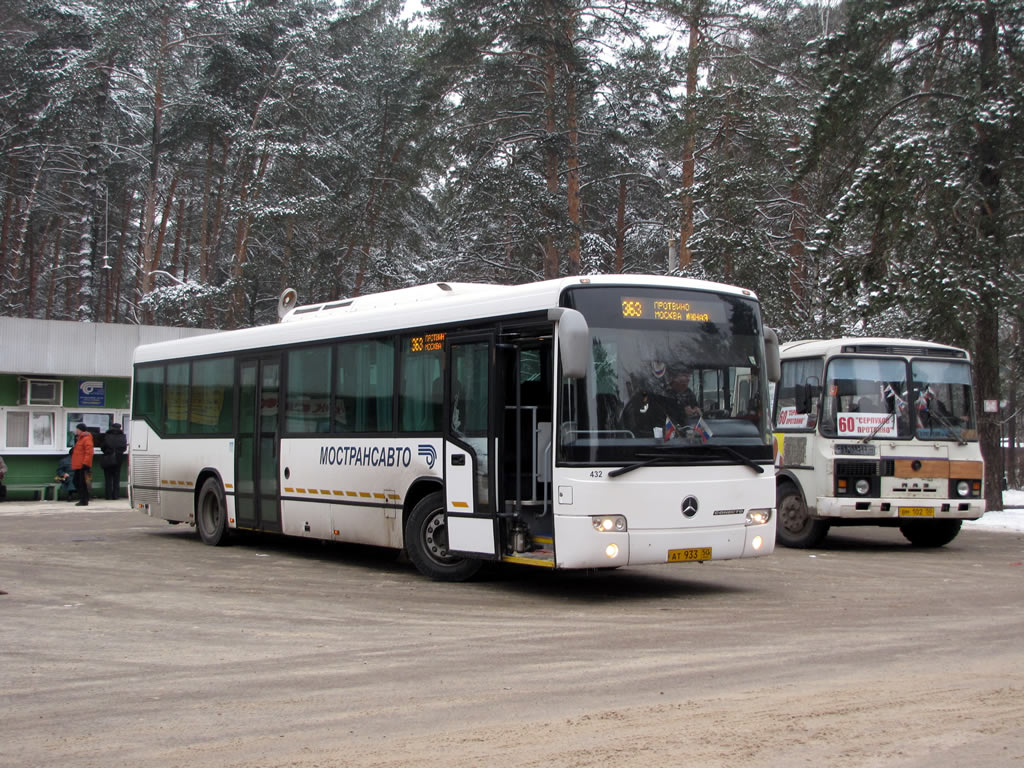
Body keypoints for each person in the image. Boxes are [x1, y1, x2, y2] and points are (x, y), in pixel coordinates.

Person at [99, 423, 127, 500]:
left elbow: (103, 447)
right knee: (116, 478)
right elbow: (124, 448)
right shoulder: (123, 436)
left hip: (108, 458)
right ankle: (116, 495)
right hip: (118, 459)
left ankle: (108, 495)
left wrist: (108, 451)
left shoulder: (107, 435)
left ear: (111, 427)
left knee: (108, 478)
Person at [71, 423, 94, 507]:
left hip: (83, 464)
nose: (76, 431)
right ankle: (84, 498)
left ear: (81, 430)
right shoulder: (79, 439)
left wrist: (86, 463)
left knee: (81, 483)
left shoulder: (86, 438)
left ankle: (84, 499)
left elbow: (89, 452)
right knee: (76, 481)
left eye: (77, 429)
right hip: (78, 464)